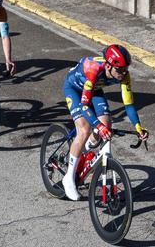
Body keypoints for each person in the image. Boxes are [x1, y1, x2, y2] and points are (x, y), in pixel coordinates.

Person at [60, 44, 148, 200]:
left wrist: (138, 127)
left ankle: (84, 150)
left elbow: (128, 105)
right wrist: (98, 126)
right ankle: (68, 177)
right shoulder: (93, 69)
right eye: (120, 70)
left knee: (106, 125)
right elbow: (84, 106)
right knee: (84, 130)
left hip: (94, 89)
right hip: (74, 89)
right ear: (108, 66)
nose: (124, 73)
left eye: (126, 69)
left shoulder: (124, 75)